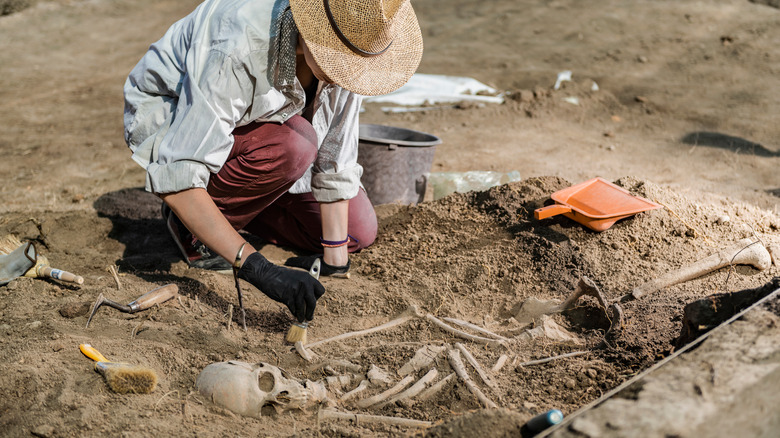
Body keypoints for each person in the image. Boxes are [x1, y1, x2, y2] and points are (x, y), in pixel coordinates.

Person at [122, 0, 423, 324]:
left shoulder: (356, 46)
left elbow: (336, 156)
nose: (347, 74)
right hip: (175, 120)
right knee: (296, 144)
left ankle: (238, 207)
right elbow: (179, 174)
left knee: (357, 232)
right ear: (311, 34)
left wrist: (334, 261)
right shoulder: (237, 46)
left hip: (265, 136)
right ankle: (190, 228)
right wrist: (258, 269)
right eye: (338, 62)